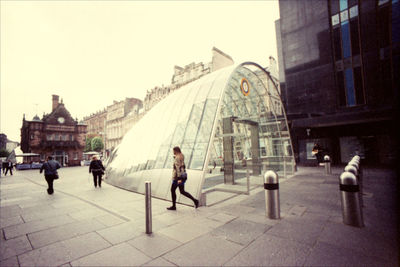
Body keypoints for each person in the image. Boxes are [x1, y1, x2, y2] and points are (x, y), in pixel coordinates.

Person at [167, 146, 199, 210]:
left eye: (173, 151)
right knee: (182, 191)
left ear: (176, 151)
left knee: (173, 190)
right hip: (182, 176)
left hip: (177, 178)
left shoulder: (177, 158)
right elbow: (182, 165)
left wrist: (178, 178)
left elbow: (178, 168)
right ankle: (195, 200)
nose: (173, 152)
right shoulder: (182, 156)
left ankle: (174, 206)